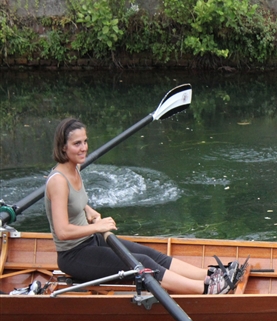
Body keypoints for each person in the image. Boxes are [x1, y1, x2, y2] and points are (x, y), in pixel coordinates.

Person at [45, 118, 231, 294]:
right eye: (77, 144)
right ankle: (204, 288)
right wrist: (97, 227)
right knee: (141, 263)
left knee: (149, 254)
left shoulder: (75, 167)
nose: (83, 148)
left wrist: (88, 209)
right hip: (74, 255)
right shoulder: (58, 181)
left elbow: (74, 201)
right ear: (63, 148)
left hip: (91, 240)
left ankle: (210, 274)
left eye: (85, 142)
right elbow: (62, 231)